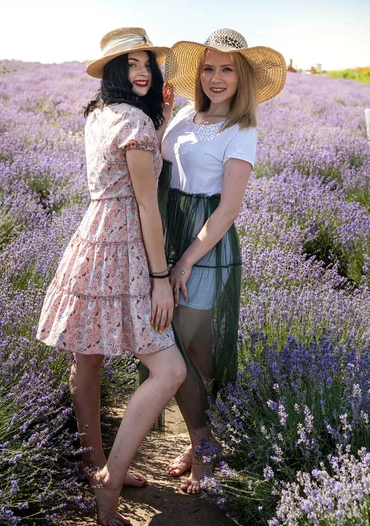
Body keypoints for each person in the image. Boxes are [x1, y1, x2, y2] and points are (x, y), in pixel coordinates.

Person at [36, 27, 186, 526]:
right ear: (114, 71)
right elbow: (147, 205)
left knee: (89, 355)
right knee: (169, 370)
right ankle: (108, 484)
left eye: (147, 63)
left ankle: (91, 461)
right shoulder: (136, 128)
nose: (142, 71)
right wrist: (160, 278)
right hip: (122, 246)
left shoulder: (99, 115)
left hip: (90, 238)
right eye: (132, 65)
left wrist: (158, 118)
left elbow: (124, 173)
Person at [161, 28, 286, 494]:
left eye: (227, 69)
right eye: (209, 68)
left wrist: (187, 260)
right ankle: (201, 442)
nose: (216, 78)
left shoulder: (242, 129)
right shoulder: (185, 117)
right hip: (168, 235)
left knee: (171, 347)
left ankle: (204, 445)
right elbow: (156, 161)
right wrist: (162, 115)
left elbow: (228, 208)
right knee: (193, 352)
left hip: (206, 248)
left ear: (242, 78)